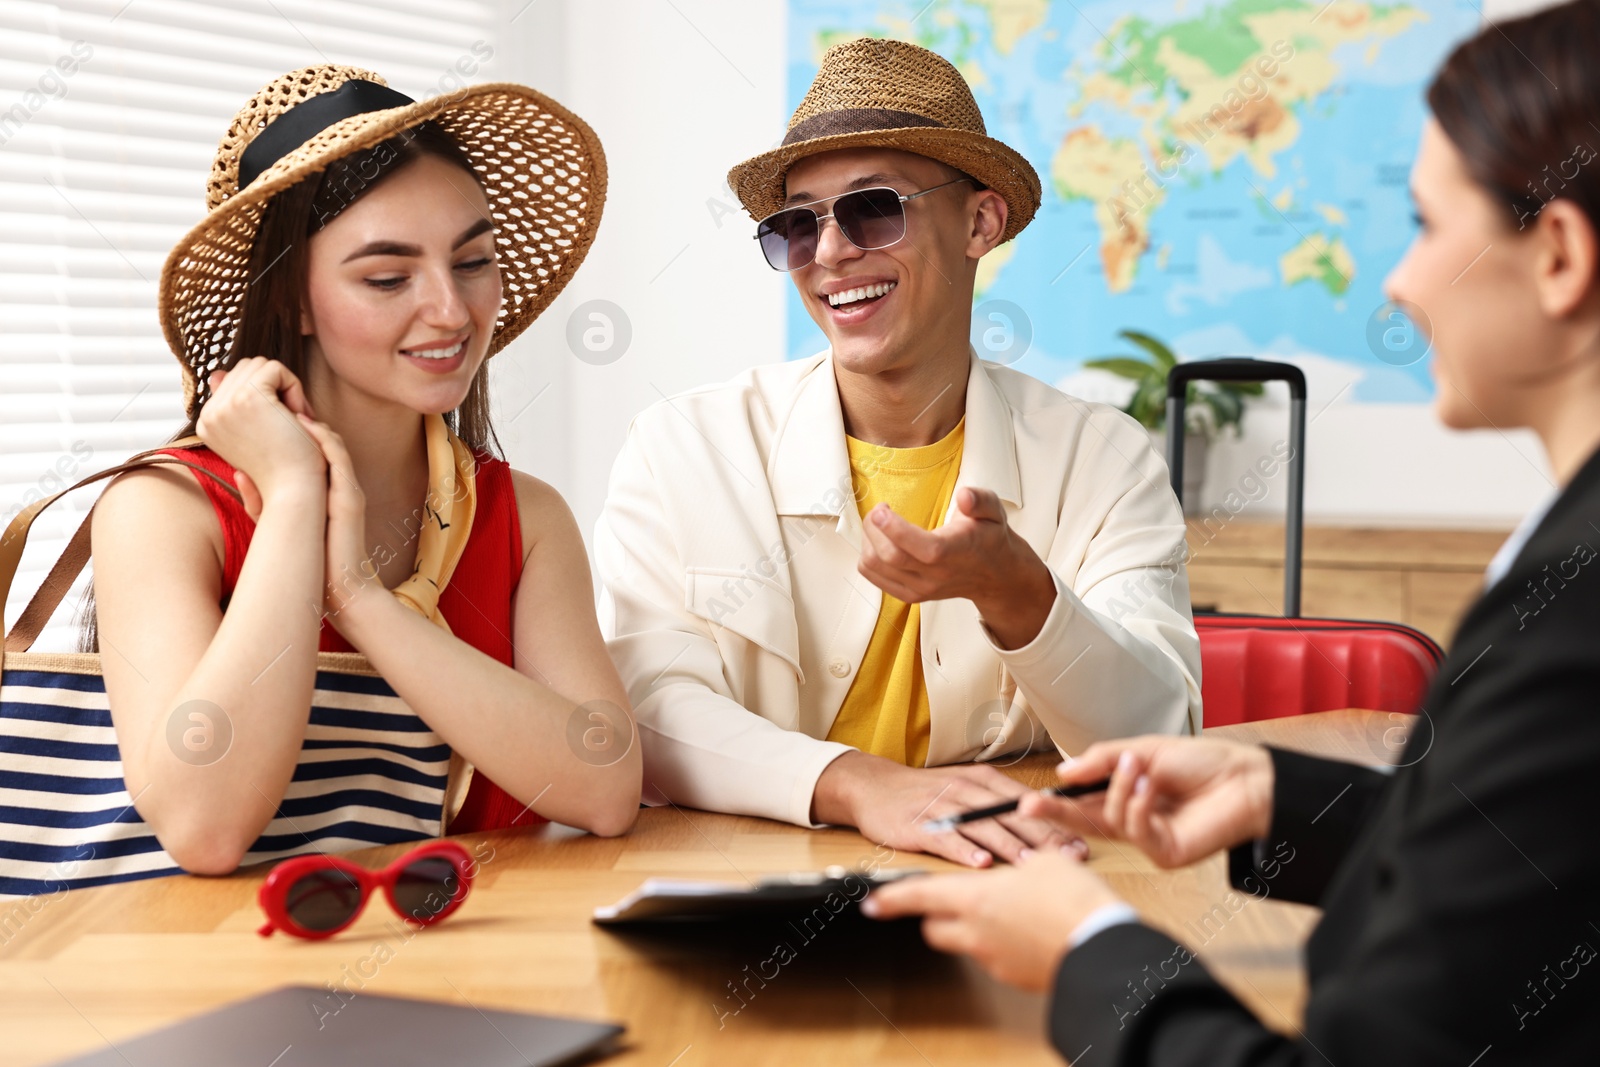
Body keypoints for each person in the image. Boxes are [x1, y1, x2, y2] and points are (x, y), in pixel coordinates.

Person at [862, 2, 1600, 1062]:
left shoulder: (1572, 625)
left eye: (1430, 226)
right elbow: (1534, 871)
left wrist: (1089, 949)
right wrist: (1281, 795)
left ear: (1560, 256)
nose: (1400, 282)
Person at [594, 39, 1201, 870]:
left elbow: (1158, 738)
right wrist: (857, 784)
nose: (833, 253)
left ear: (980, 222)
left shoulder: (1105, 461)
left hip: (1014, 883)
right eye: (796, 225)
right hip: (742, 887)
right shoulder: (683, 449)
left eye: (873, 209)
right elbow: (646, 705)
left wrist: (1020, 595)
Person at [88, 66, 641, 876]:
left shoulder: (524, 518)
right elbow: (204, 827)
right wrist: (292, 499)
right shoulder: (162, 510)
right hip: (212, 980)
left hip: (486, 966)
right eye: (388, 278)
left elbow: (604, 787)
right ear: (295, 298)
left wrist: (359, 598)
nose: (451, 310)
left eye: (473, 261)